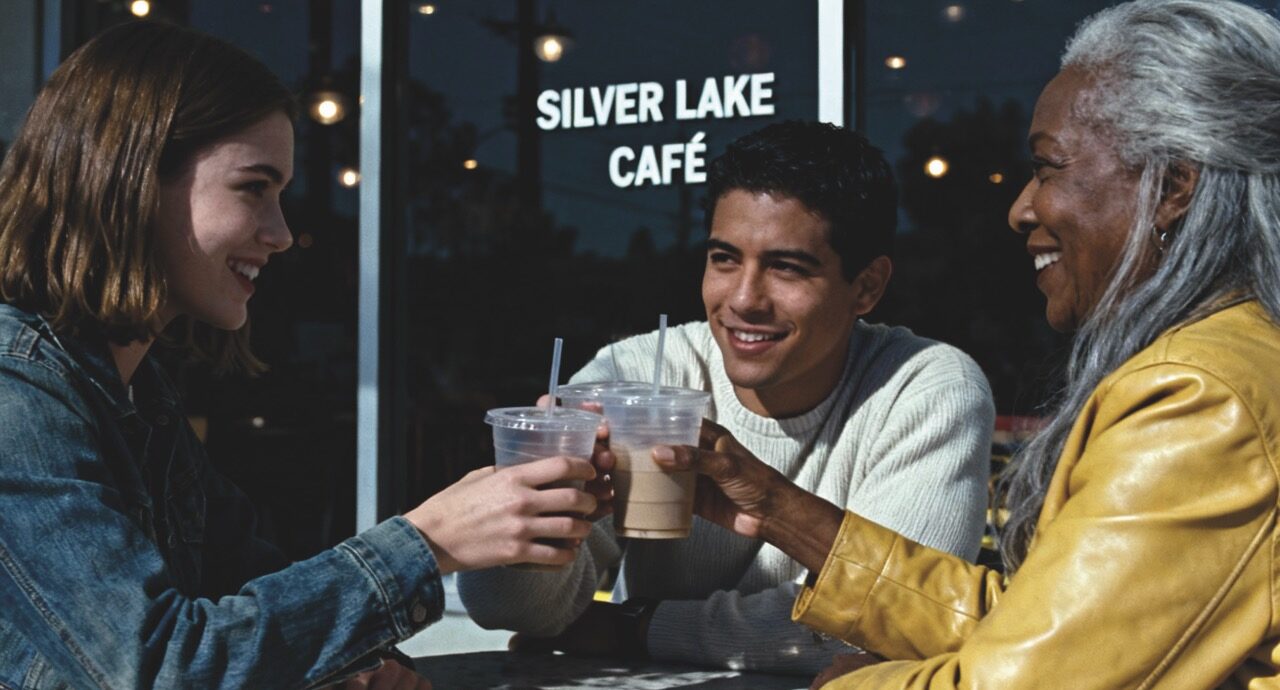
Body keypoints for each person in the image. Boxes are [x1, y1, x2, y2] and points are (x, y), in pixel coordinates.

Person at [649, 0, 1280, 687]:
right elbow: (1042, 625)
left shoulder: (1200, 398)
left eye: (1048, 168)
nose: (1021, 208)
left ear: (1172, 186)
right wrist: (772, 505)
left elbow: (1023, 681)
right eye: (724, 259)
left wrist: (844, 684)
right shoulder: (1231, 365)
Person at [0, 21, 600, 690]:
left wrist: (353, 664)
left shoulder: (138, 393)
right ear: (133, 180)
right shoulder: (15, 392)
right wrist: (430, 542)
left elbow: (241, 587)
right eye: (253, 188)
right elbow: (158, 666)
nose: (282, 233)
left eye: (280, 194)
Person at [458, 121, 996, 674]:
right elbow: (513, 611)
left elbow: (903, 620)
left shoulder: (927, 389)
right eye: (724, 258)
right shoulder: (637, 375)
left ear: (866, 287)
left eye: (786, 267)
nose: (743, 299)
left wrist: (637, 626)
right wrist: (541, 512)